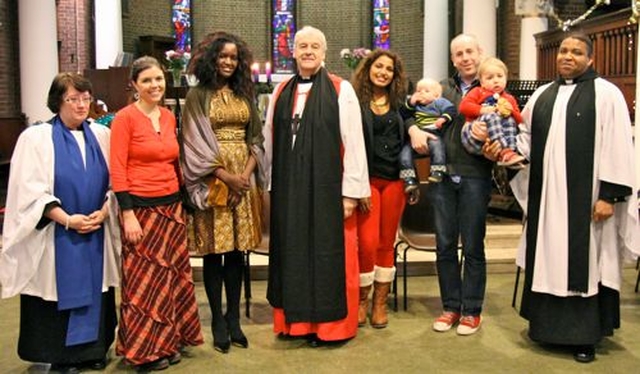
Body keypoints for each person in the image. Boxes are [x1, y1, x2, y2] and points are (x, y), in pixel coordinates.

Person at [511, 33, 639, 363]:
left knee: (586, 265)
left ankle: (585, 337)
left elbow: (619, 146)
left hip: (588, 203)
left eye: (577, 52)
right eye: (564, 50)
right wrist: (508, 153)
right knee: (547, 259)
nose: (568, 56)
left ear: (590, 59)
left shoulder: (606, 94)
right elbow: (525, 140)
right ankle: (545, 328)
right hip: (547, 200)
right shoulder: (541, 95)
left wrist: (609, 195)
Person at [0, 73, 120, 372]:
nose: (81, 106)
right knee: (55, 290)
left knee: (98, 287)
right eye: (73, 99)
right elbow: (28, 190)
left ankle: (93, 350)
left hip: (95, 228)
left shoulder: (102, 135)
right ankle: (61, 357)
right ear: (57, 101)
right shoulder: (36, 138)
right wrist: (67, 219)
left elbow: (116, 182)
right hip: (57, 233)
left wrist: (105, 212)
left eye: (86, 98)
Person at [263, 26, 370, 345]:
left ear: (324, 53)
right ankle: (295, 325)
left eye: (315, 46)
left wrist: (351, 192)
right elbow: (270, 141)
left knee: (327, 256)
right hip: (288, 190)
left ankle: (329, 328)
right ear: (292, 52)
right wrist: (271, 185)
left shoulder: (341, 89)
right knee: (292, 254)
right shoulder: (280, 91)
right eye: (302, 46)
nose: (308, 51)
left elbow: (354, 142)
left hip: (328, 189)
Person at [110, 56, 203, 371]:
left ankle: (168, 341)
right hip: (141, 210)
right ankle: (144, 350)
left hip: (171, 208)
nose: (155, 85)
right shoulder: (124, 119)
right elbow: (117, 169)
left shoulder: (166, 116)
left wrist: (183, 205)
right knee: (145, 283)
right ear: (135, 85)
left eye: (159, 79)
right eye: (147, 80)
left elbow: (173, 163)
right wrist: (127, 214)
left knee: (171, 279)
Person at [405, 34, 499, 336]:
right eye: (458, 54)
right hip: (442, 176)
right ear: (453, 59)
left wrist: (495, 144)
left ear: (480, 52)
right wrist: (412, 130)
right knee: (445, 245)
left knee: (472, 245)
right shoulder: (440, 88)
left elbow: (509, 124)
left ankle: (472, 311)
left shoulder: (491, 87)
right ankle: (450, 307)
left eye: (469, 51)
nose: (465, 58)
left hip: (474, 175)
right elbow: (406, 110)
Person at [181, 31, 264, 354]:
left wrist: (243, 176)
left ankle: (234, 320)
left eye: (233, 57)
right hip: (212, 180)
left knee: (237, 253)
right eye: (223, 56)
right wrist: (226, 176)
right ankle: (216, 319)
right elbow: (191, 142)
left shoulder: (245, 94)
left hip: (243, 181)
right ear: (211, 59)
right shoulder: (197, 96)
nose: (228, 62)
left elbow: (256, 139)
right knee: (215, 252)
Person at [350, 49, 412, 329]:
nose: (383, 72)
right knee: (367, 242)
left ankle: (380, 303)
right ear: (368, 69)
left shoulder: (399, 102)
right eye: (379, 66)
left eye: (389, 69)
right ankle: (362, 299)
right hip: (368, 180)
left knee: (386, 242)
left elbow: (412, 121)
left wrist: (416, 129)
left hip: (395, 181)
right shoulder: (356, 101)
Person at [459, 57, 525, 168]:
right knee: (492, 115)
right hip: (472, 135)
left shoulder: (509, 98)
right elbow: (463, 107)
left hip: (491, 144)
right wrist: (482, 110)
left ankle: (510, 154)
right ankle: (505, 151)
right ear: (482, 82)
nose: (496, 80)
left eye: (500, 76)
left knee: (509, 119)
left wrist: (511, 111)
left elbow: (519, 121)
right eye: (490, 78)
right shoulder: (477, 91)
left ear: (506, 78)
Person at [399, 78, 456, 187]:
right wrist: (410, 102)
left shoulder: (439, 102)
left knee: (437, 146)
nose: (421, 93)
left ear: (436, 95)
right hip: (416, 135)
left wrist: (443, 118)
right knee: (404, 152)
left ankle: (437, 170)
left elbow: (451, 110)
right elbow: (403, 112)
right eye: (419, 91)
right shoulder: (415, 105)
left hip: (433, 131)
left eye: (426, 91)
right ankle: (409, 178)